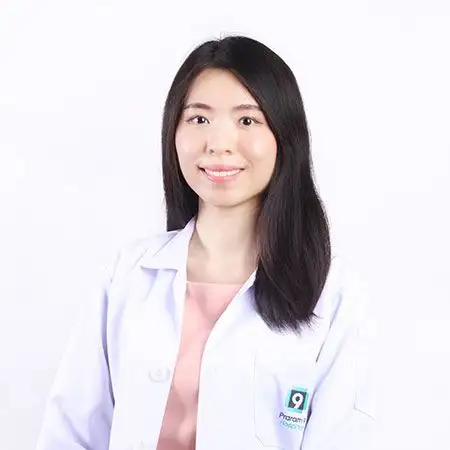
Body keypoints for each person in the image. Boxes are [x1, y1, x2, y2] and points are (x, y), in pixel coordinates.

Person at [36, 35, 377, 450]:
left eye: (247, 121)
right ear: (173, 132)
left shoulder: (333, 293)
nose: (218, 143)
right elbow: (71, 433)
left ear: (284, 136)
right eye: (199, 119)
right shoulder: (127, 275)